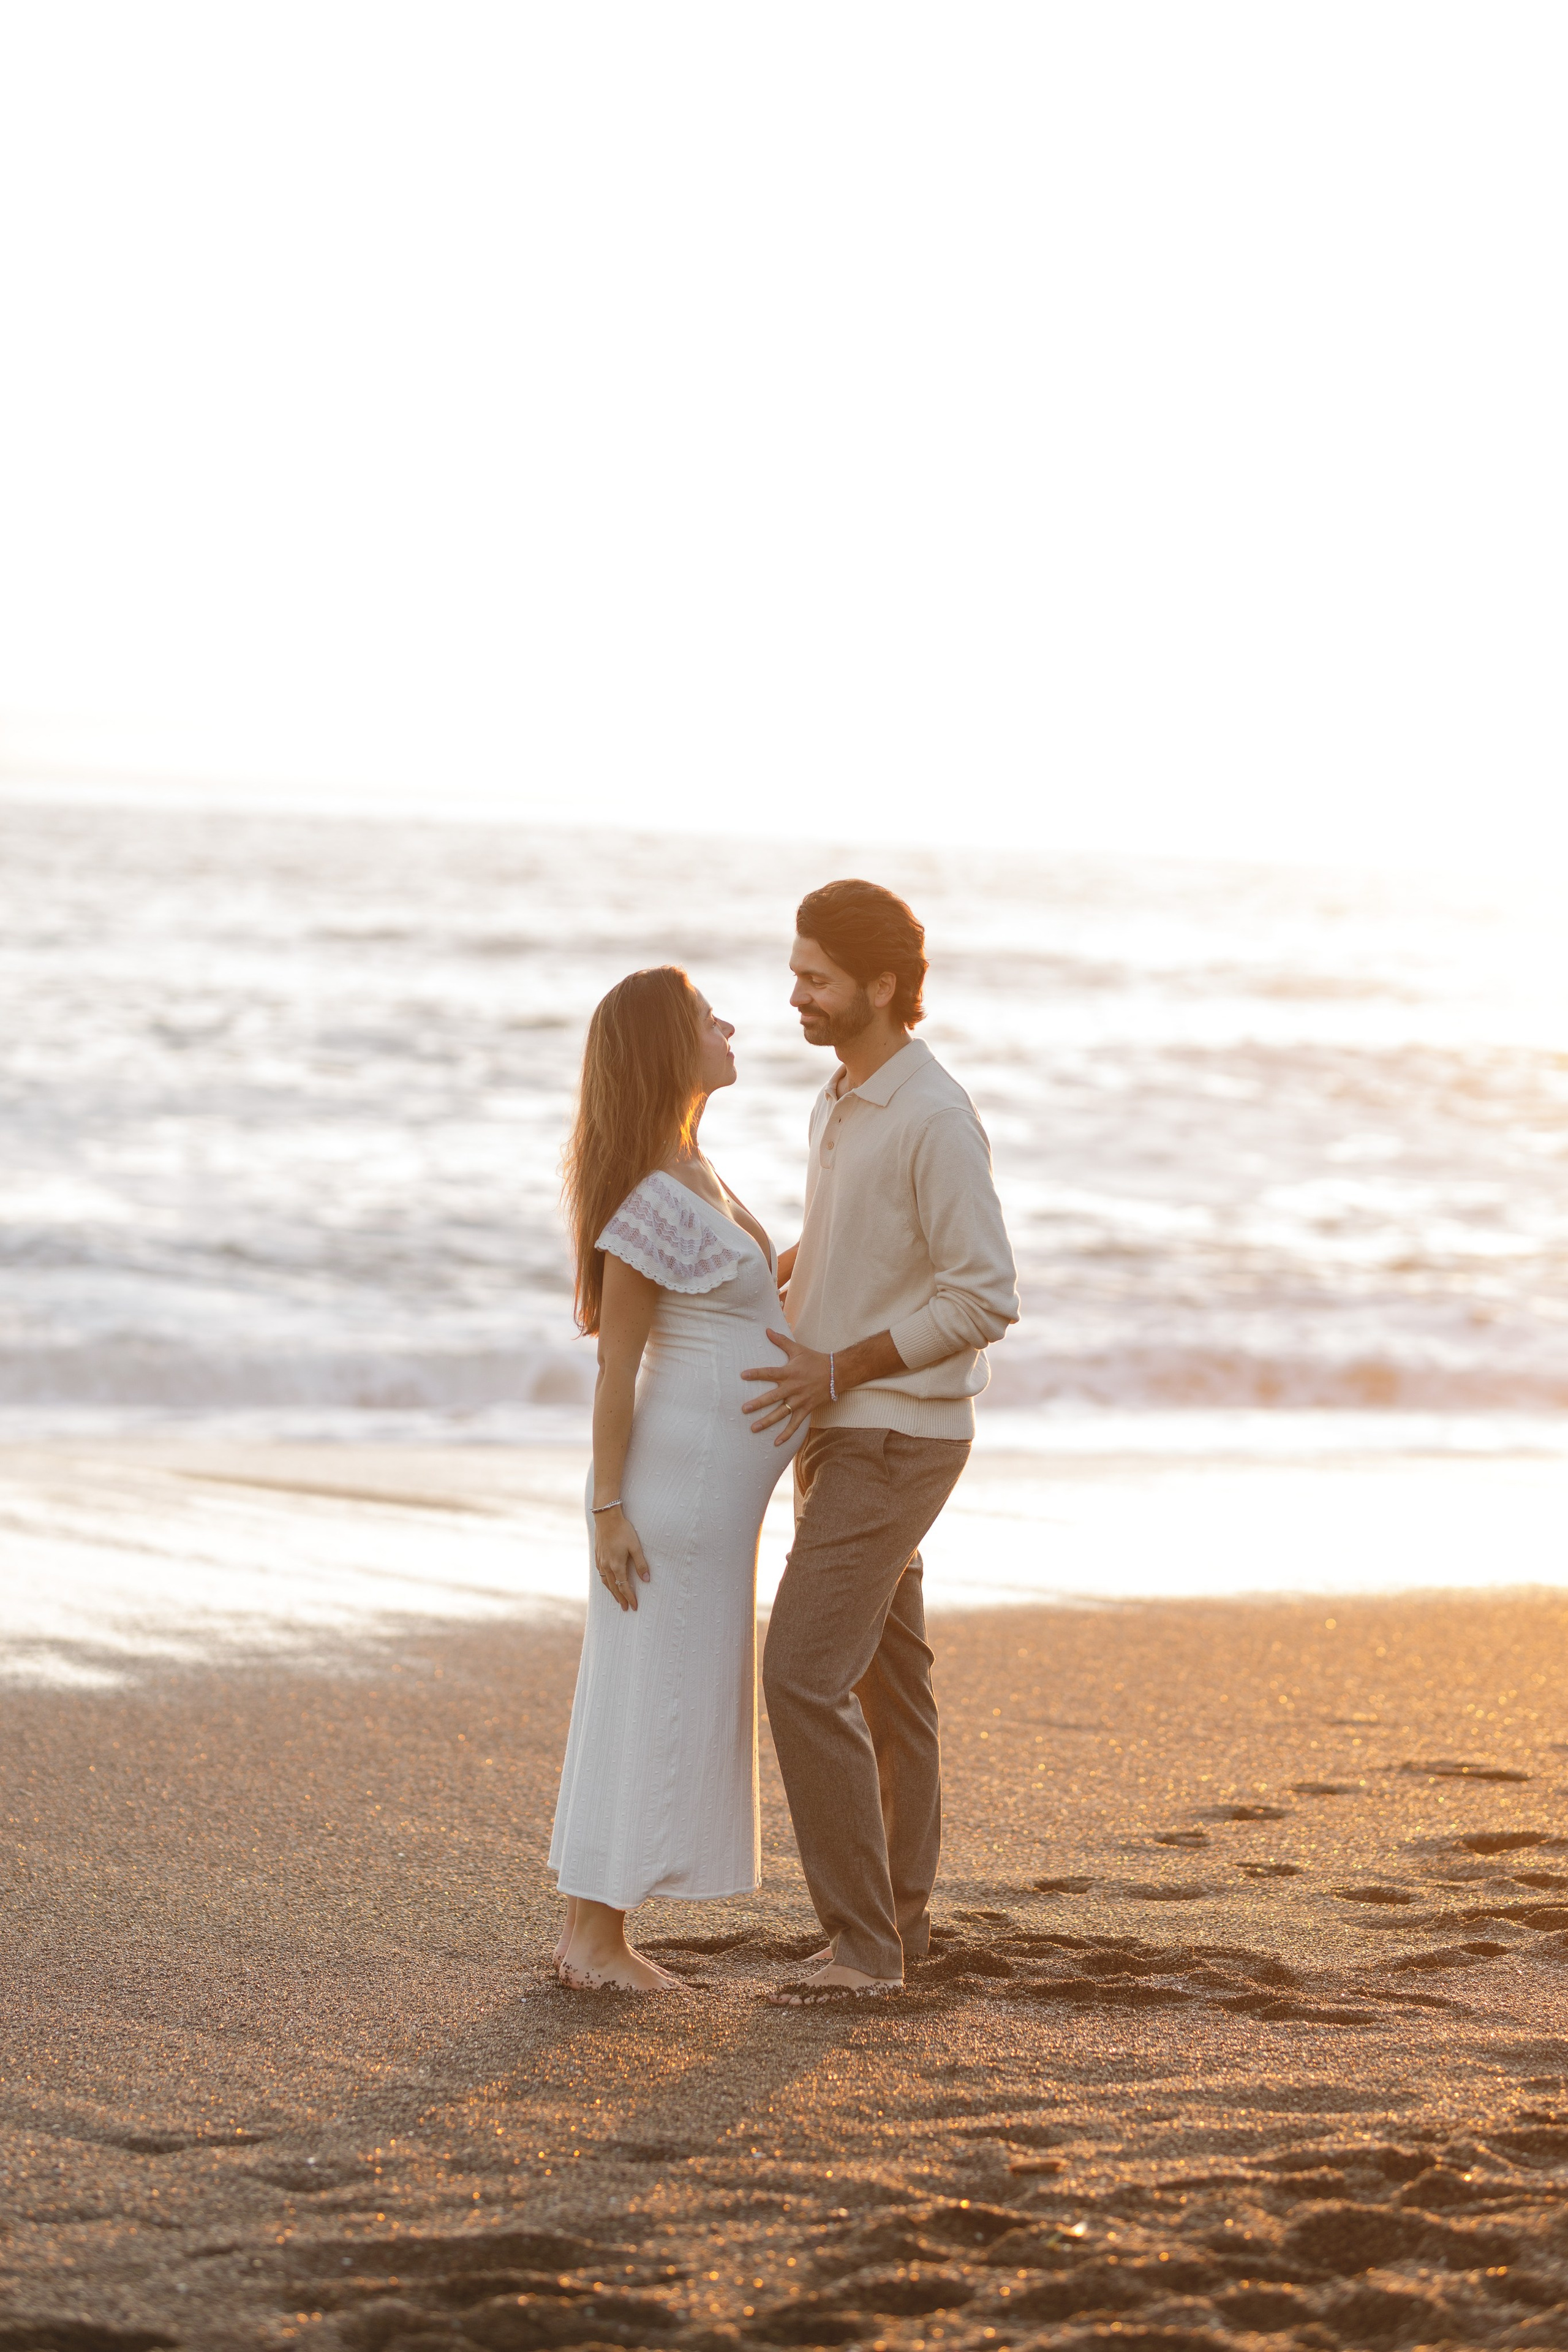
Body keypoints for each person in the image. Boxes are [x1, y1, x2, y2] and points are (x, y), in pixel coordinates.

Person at [743, 879, 1019, 2005]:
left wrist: (840, 1363)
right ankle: (894, 1922)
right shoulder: (845, 1096)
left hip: (894, 1440)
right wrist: (793, 1263)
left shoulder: (935, 1116)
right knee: (890, 1689)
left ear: (884, 986)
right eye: (796, 971)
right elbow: (871, 1225)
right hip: (840, 1427)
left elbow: (985, 1295)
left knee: (802, 1676)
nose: (794, 994)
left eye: (815, 976)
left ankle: (861, 1947)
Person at [548, 964, 804, 1991]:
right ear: (669, 1047)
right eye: (708, 1018)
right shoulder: (654, 1197)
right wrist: (606, 1509)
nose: (730, 1026)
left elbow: (741, 1303)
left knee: (646, 1683)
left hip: (705, 1490)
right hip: (677, 1489)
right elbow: (617, 1365)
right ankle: (599, 1942)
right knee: (653, 1687)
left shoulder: (693, 1168)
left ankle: (587, 1935)